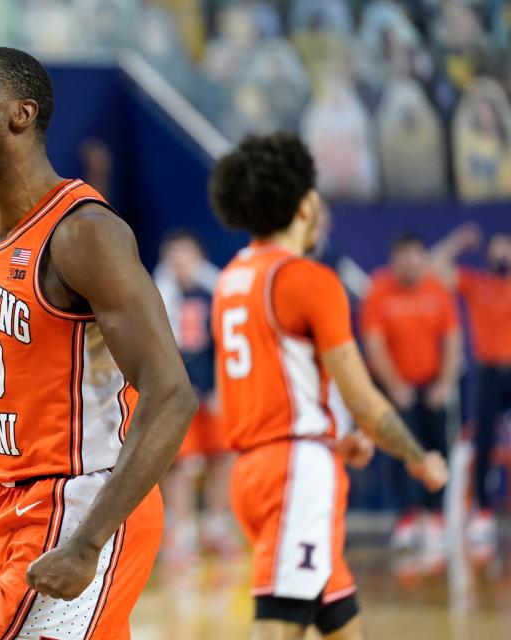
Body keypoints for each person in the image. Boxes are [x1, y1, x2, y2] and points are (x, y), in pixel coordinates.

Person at [0, 46, 197, 638]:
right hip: (19, 515)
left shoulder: (83, 232)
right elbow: (12, 423)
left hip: (82, 507)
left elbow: (172, 395)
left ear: (20, 114)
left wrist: (89, 541)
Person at [209, 133, 447, 640]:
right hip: (296, 473)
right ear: (302, 204)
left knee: (341, 620)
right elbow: (363, 399)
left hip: (254, 471)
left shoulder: (231, 279)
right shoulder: (308, 280)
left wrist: (328, 436)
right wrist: (417, 457)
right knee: (278, 624)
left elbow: (269, 387)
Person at [360, 232, 462, 565]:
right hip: (396, 388)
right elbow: (374, 344)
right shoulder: (378, 290)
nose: (410, 262)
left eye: (415, 255)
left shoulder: (437, 289)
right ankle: (406, 518)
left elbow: (452, 339)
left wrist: (444, 384)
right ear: (394, 260)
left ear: (423, 257)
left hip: (432, 385)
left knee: (437, 450)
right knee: (398, 452)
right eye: (403, 256)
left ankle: (434, 518)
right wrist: (395, 385)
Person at [153, 230, 237, 563]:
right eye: (175, 254)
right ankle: (183, 530)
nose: (181, 261)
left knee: (224, 457)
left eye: (187, 254)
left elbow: (226, 344)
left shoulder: (216, 292)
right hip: (177, 394)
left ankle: (216, 525)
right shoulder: (159, 294)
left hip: (213, 391)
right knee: (181, 463)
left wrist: (220, 387)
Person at [432, 224, 511, 563]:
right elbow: (435, 268)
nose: (502, 254)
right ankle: (483, 511)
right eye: (497, 248)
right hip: (488, 371)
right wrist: (458, 242)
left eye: (507, 248)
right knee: (482, 442)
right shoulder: (476, 283)